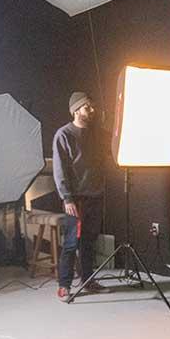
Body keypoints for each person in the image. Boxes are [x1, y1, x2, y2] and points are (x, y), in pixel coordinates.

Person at [51, 91, 111, 300]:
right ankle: (64, 285)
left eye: (92, 107)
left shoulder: (98, 134)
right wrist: (67, 198)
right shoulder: (64, 135)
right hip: (76, 199)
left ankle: (88, 280)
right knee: (71, 243)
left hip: (95, 195)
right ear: (76, 110)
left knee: (89, 241)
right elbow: (60, 170)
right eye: (87, 107)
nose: (92, 110)